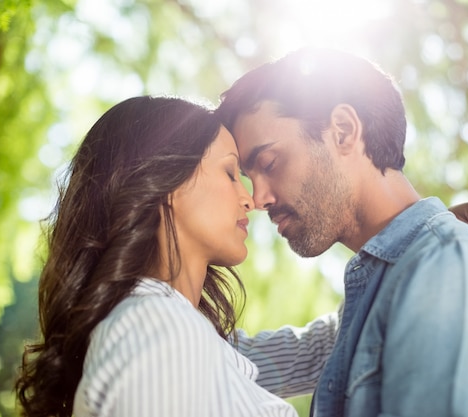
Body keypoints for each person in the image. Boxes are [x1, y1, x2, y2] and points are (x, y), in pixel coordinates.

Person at [217, 47, 468, 416]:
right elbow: (219, 361)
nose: (259, 199)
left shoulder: (450, 270)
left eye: (269, 163)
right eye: (250, 178)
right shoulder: (375, 297)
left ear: (344, 131)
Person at [15, 96, 298, 417]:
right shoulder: (158, 327)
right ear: (168, 181)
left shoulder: (180, 333)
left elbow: (314, 351)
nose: (250, 199)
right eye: (230, 173)